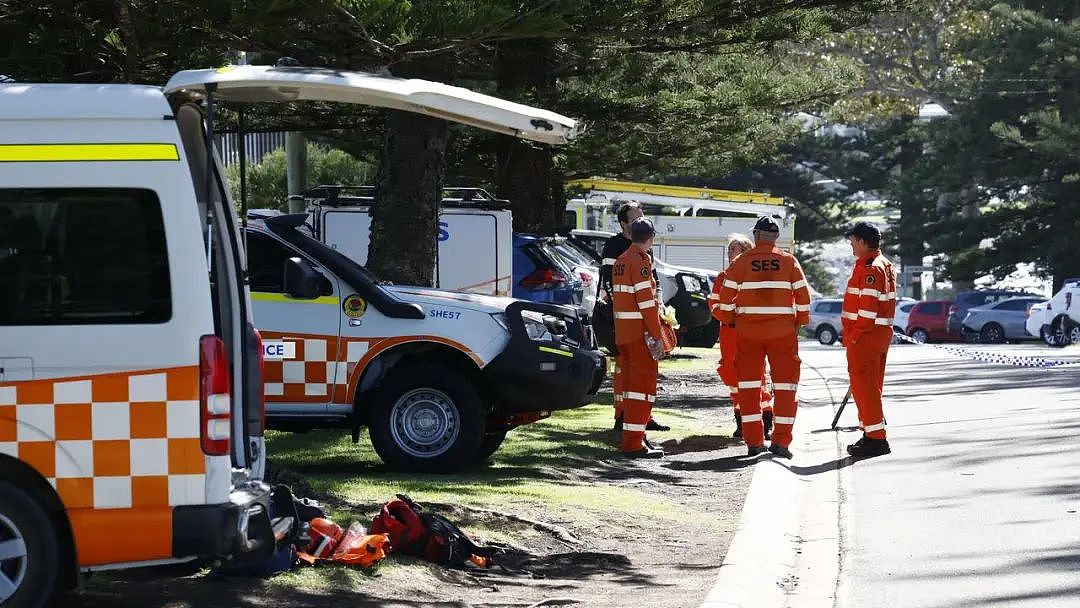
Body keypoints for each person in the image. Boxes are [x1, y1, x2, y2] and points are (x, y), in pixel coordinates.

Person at [714, 216, 811, 458]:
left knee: (748, 388)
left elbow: (724, 301)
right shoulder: (789, 261)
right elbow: (804, 299)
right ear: (776, 237)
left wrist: (732, 320)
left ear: (756, 235)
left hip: (748, 334)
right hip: (783, 335)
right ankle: (781, 443)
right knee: (786, 388)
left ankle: (754, 442)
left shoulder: (741, 262)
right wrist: (797, 324)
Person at [599, 202, 669, 433]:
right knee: (631, 372)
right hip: (622, 319)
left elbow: (653, 283)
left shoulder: (642, 252)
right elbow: (609, 282)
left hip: (634, 319)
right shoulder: (616, 247)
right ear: (623, 223)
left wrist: (659, 305)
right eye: (635, 218)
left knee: (635, 373)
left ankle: (640, 417)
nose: (640, 220)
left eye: (642, 216)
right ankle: (624, 417)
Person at [709, 234, 774, 439]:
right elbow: (714, 305)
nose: (729, 253)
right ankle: (741, 421)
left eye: (734, 249)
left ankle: (766, 421)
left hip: (751, 332)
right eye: (728, 249)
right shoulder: (722, 277)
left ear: (745, 252)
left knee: (758, 377)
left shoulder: (755, 276)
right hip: (729, 332)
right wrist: (731, 316)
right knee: (732, 376)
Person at [841, 222, 897, 458]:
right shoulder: (882, 264)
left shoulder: (871, 268)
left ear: (863, 242)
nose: (851, 246)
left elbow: (867, 310)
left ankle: (875, 439)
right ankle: (870, 433)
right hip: (875, 336)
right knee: (870, 387)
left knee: (866, 389)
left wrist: (854, 336)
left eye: (853, 241)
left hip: (865, 336)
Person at [611, 217, 666, 458]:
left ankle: (636, 438)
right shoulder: (640, 262)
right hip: (639, 335)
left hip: (624, 333)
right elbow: (646, 303)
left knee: (631, 388)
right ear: (651, 238)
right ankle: (634, 443)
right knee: (642, 389)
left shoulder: (621, 261)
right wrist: (658, 335)